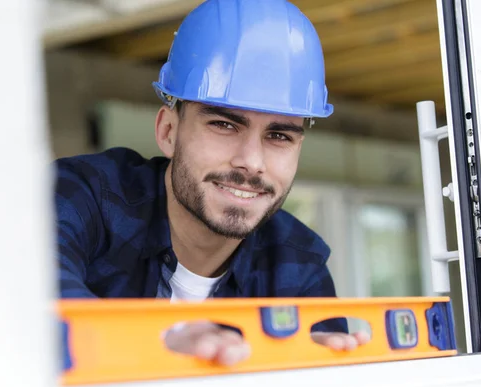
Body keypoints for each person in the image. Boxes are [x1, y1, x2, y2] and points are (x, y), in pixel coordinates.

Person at [55, 0, 369, 367]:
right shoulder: (85, 196)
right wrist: (160, 337)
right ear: (168, 131)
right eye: (224, 125)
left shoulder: (298, 267)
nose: (251, 162)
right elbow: (28, 293)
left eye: (279, 136)